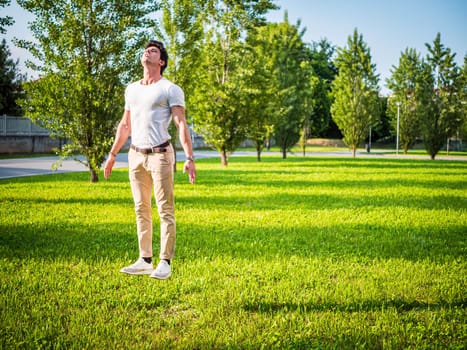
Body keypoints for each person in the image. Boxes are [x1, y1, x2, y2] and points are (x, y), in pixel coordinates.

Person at [104, 39, 196, 280]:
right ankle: (145, 259)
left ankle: (164, 261)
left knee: (165, 209)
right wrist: (113, 155)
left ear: (161, 61)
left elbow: (180, 123)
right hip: (135, 155)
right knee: (140, 209)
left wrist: (189, 157)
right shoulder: (131, 89)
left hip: (161, 156)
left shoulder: (170, 89)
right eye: (146, 50)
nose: (147, 52)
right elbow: (125, 125)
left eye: (153, 51)